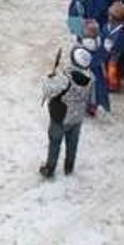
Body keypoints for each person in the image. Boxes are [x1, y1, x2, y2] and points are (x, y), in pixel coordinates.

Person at [40, 45, 93, 178]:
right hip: (77, 118)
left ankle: (50, 168)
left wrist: (49, 79)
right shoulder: (91, 78)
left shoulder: (65, 79)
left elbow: (48, 90)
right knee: (72, 144)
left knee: (55, 142)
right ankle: (69, 167)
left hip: (61, 117)